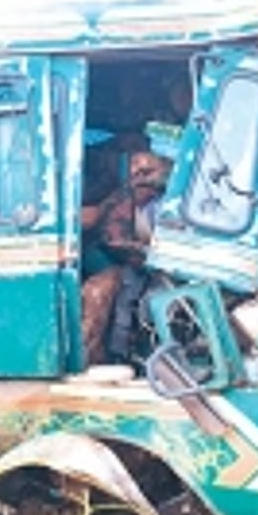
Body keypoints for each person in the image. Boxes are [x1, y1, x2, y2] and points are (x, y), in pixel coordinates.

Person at [80, 151, 171, 365]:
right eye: (135, 170)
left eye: (148, 171)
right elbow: (101, 226)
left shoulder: (171, 203)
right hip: (120, 259)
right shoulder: (121, 197)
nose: (140, 177)